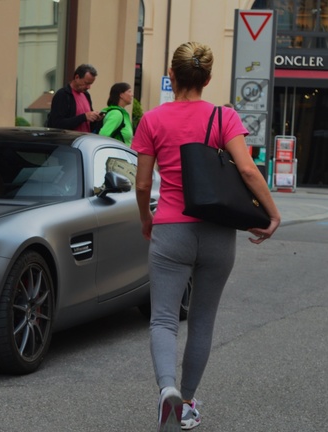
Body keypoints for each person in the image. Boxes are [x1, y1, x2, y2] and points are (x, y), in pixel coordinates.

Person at [131, 42, 281, 431]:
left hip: (171, 230)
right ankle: (188, 401)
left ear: (172, 74)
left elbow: (143, 182)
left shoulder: (152, 120)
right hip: (216, 232)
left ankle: (167, 390)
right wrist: (272, 213)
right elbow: (247, 171)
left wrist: (146, 219)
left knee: (163, 319)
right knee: (202, 320)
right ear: (208, 78)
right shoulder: (224, 117)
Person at [46, 64, 102, 132]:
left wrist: (96, 119)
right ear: (77, 77)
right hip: (70, 141)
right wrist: (84, 117)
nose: (88, 87)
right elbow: (57, 124)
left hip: (85, 140)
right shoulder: (63, 95)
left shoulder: (86, 95)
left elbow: (88, 123)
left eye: (90, 84)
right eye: (86, 83)